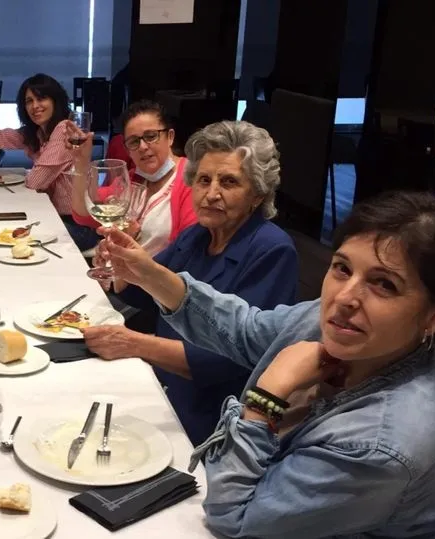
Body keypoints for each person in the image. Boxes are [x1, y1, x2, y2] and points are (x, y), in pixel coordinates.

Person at [101, 191, 435, 538]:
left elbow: (233, 516)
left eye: (383, 284)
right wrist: (148, 274)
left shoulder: (385, 445)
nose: (346, 297)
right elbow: (242, 328)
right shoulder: (331, 325)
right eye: (341, 268)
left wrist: (265, 399)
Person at [82, 121, 298, 445]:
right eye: (203, 180)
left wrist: (134, 344)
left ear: (257, 194)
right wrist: (124, 270)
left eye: (228, 182)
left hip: (212, 417)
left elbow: (226, 358)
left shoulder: (272, 250)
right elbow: (147, 295)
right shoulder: (196, 236)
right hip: (159, 387)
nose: (211, 194)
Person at [0, 73, 100, 251]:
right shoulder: (38, 133)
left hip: (79, 226)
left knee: (12, 237)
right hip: (54, 214)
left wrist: (31, 175)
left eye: (41, 98)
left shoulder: (64, 130)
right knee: (3, 229)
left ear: (55, 100)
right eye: (29, 101)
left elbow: (36, 181)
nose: (35, 106)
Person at [68, 100, 197, 256]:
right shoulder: (133, 177)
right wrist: (82, 162)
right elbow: (85, 213)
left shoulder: (192, 180)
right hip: (122, 273)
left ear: (170, 137)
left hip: (155, 278)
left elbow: (188, 253)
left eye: (151, 136)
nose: (143, 146)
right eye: (134, 141)